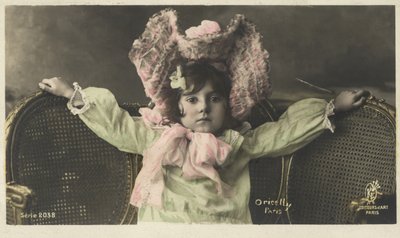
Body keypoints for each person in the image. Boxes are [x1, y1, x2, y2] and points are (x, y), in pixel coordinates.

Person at [38, 9, 369, 224]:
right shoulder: (159, 138)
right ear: (177, 104)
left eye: (214, 99)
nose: (204, 107)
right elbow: (117, 127)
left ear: (229, 103)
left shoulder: (238, 143)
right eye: (193, 99)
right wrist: (72, 94)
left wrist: (332, 107)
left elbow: (282, 134)